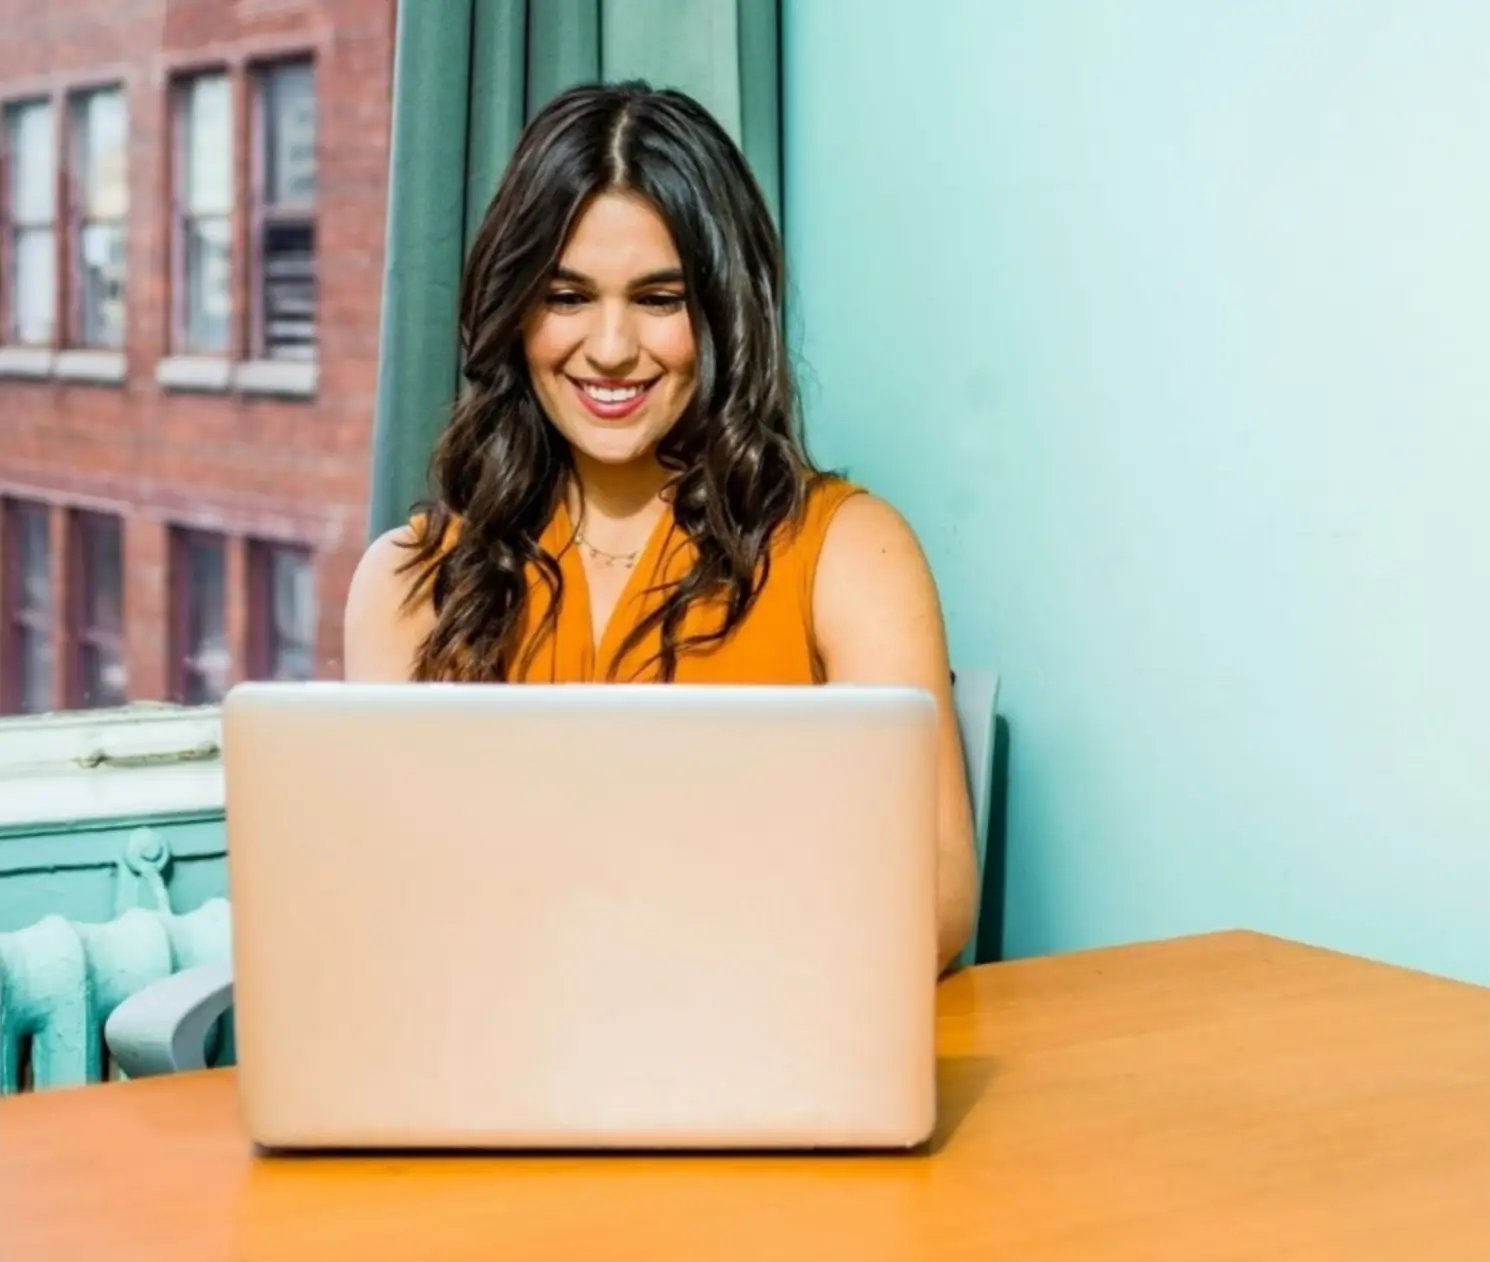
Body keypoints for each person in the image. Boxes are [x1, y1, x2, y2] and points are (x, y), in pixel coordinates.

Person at [343, 81, 977, 971]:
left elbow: (936, 908)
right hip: (488, 1071)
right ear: (515, 309)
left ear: (719, 310)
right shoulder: (408, 580)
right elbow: (385, 908)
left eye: (659, 298)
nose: (609, 348)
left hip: (763, 1052)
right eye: (566, 296)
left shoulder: (852, 555)